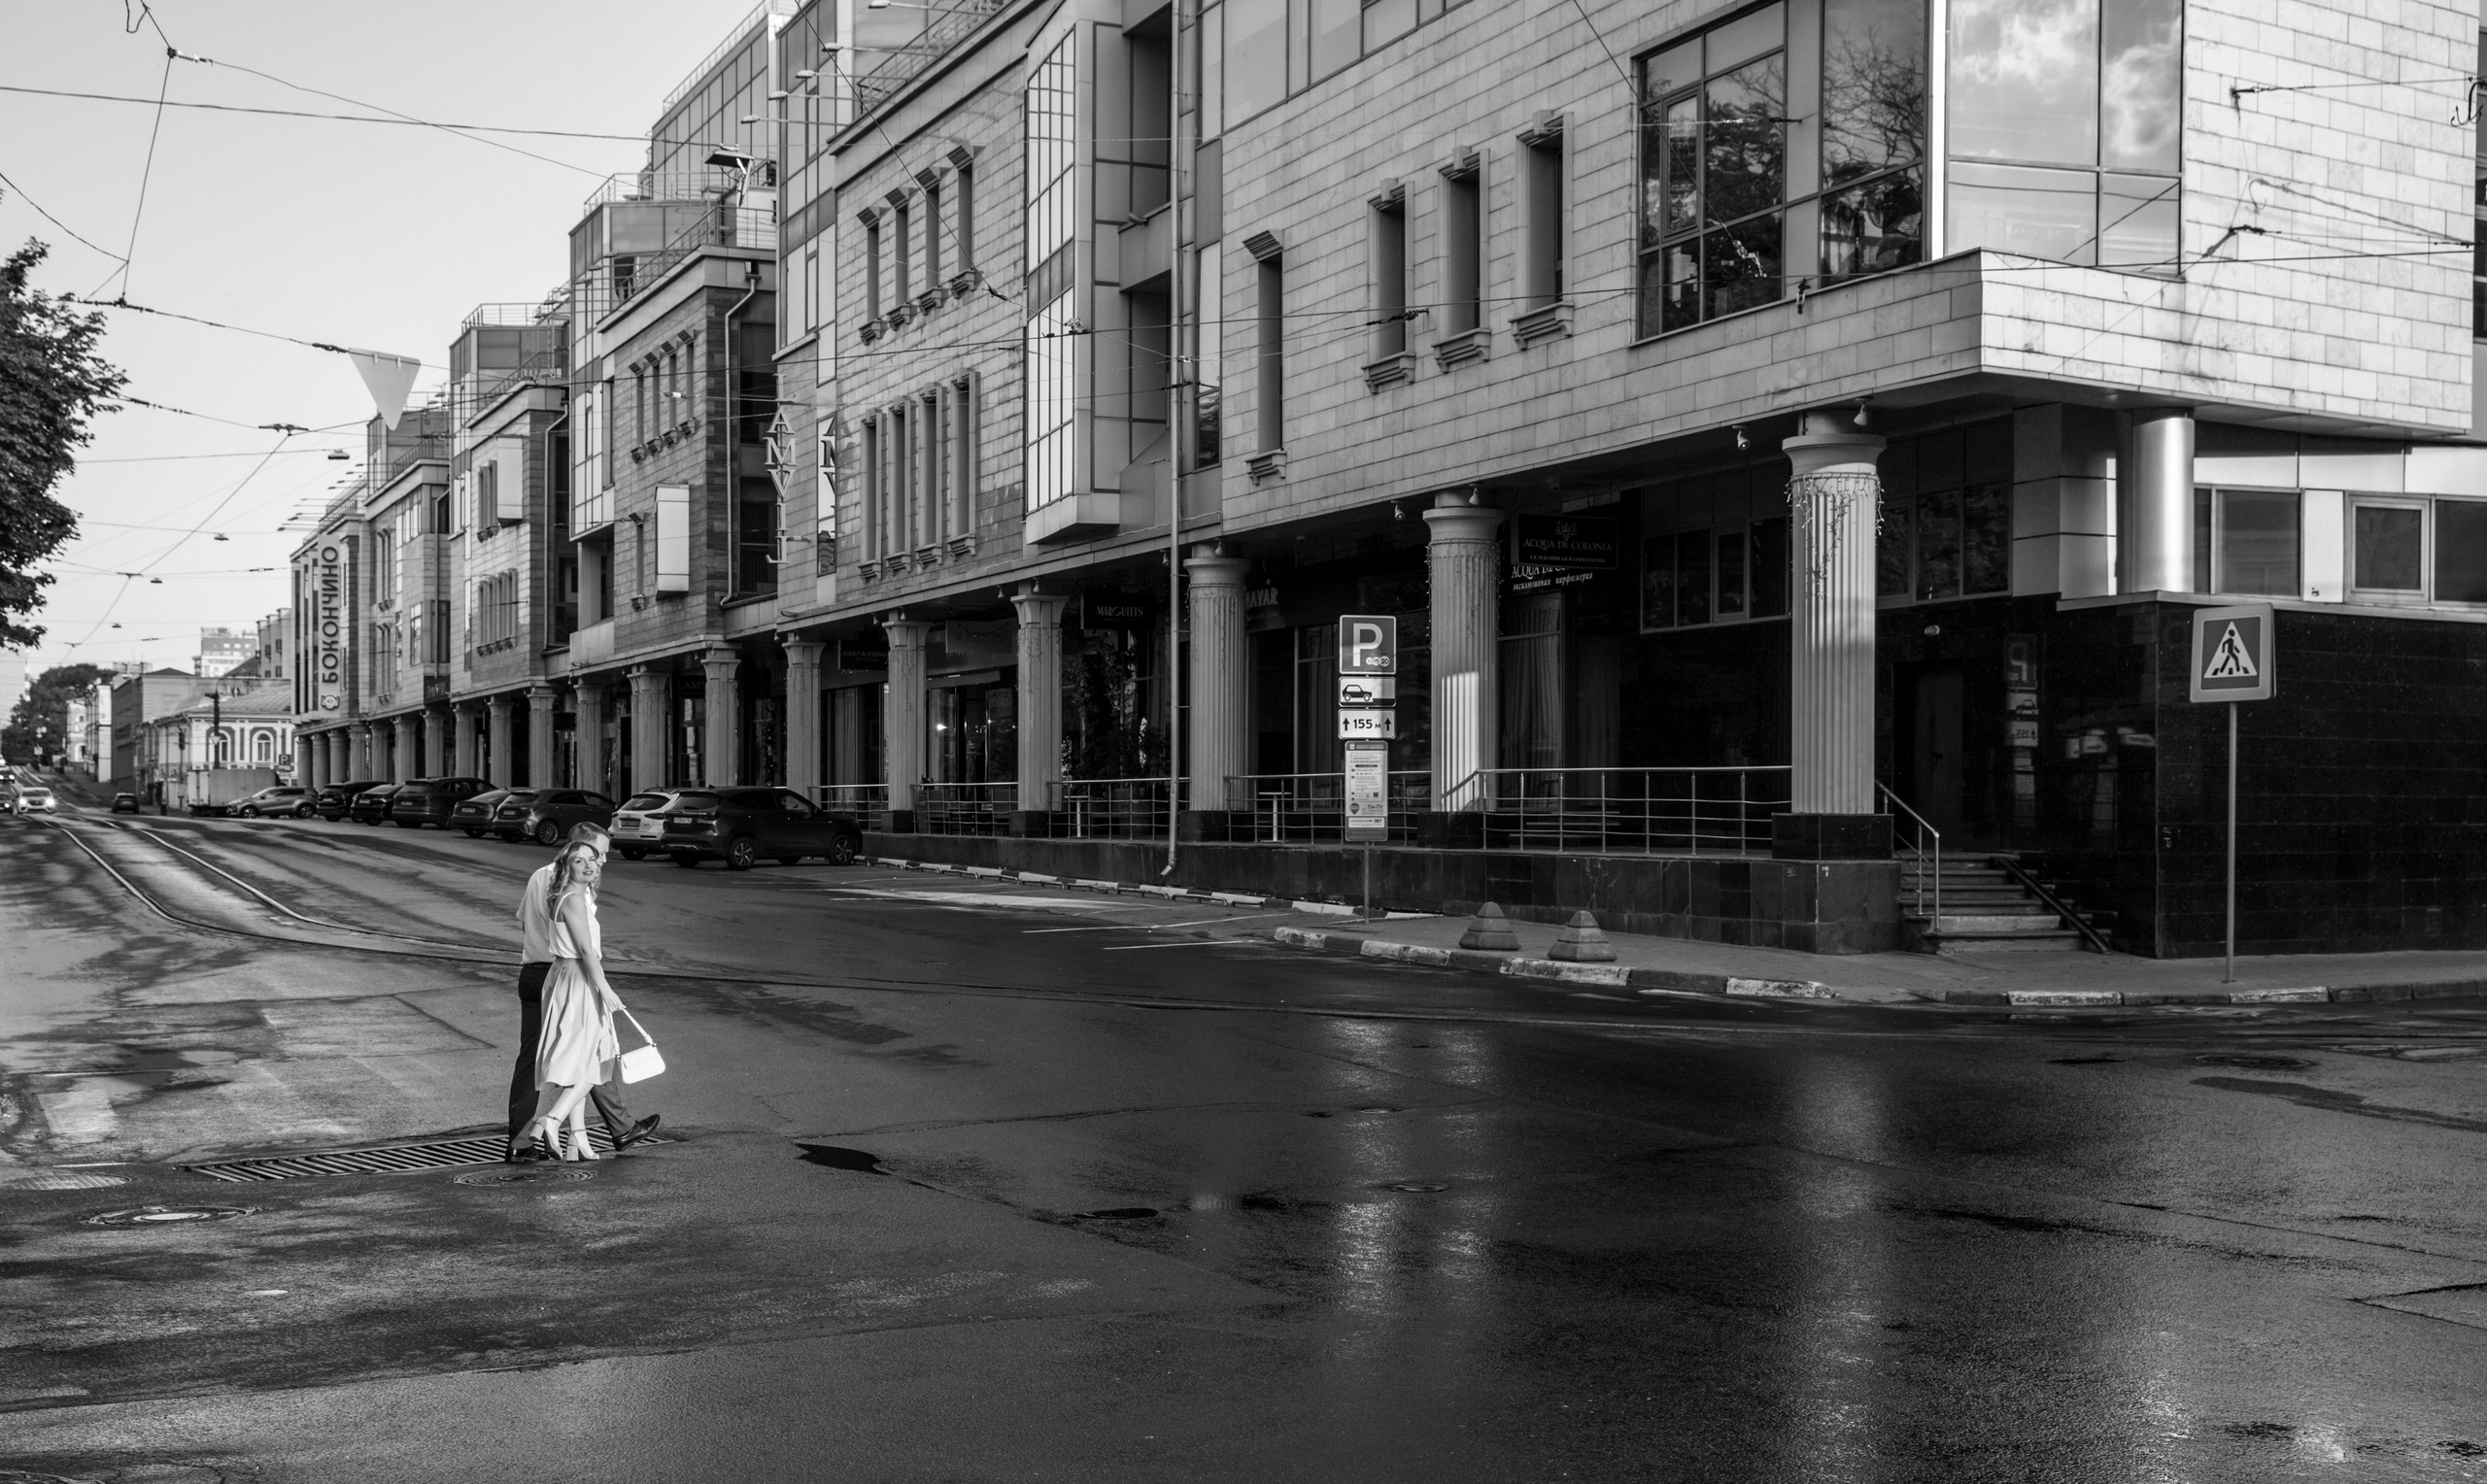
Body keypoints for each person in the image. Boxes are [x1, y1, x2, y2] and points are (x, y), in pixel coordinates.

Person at [507, 824, 659, 1161]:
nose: (601, 861)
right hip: (568, 974)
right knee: (591, 1054)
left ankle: (528, 1142)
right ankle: (594, 1127)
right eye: (598, 853)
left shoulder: (538, 877)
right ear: (579, 849)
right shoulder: (577, 889)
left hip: (534, 972)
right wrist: (603, 987)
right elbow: (585, 948)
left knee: (537, 1058)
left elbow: (524, 921)